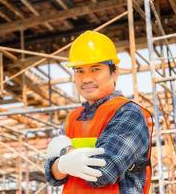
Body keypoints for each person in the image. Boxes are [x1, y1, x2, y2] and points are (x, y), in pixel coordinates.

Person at [44, 30, 153, 193]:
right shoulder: (73, 118)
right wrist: (62, 164)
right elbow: (52, 175)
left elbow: (103, 172)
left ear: (115, 72)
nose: (86, 78)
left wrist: (65, 153)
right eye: (79, 70)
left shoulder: (128, 113)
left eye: (95, 69)